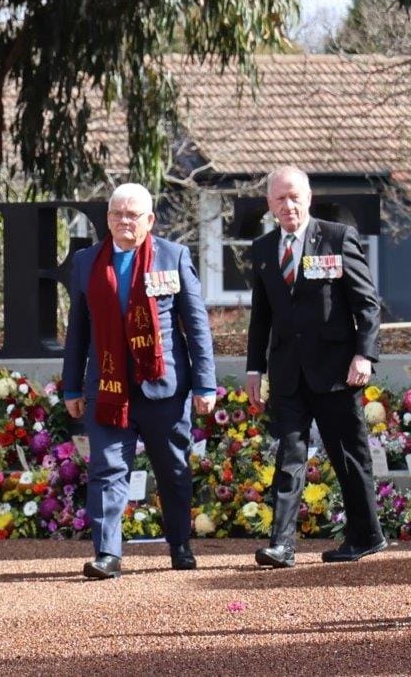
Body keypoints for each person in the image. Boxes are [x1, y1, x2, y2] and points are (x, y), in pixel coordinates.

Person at [62, 183, 217, 580]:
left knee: (172, 468)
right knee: (107, 469)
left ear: (149, 220)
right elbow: (78, 329)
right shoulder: (86, 262)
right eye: (116, 214)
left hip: (164, 385)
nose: (124, 221)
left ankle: (180, 544)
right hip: (108, 386)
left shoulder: (174, 256)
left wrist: (205, 384)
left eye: (132, 215)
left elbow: (195, 324)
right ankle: (108, 553)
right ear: (107, 219)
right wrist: (72, 387)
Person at [246, 166, 385, 568]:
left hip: (337, 371)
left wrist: (365, 354)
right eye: (279, 199)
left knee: (349, 458)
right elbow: (261, 316)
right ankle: (282, 545)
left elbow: (367, 304)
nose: (287, 205)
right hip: (288, 372)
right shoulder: (264, 249)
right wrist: (255, 370)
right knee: (288, 455)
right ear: (269, 204)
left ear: (308, 197)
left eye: (294, 197)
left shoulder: (337, 237)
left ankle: (367, 536)